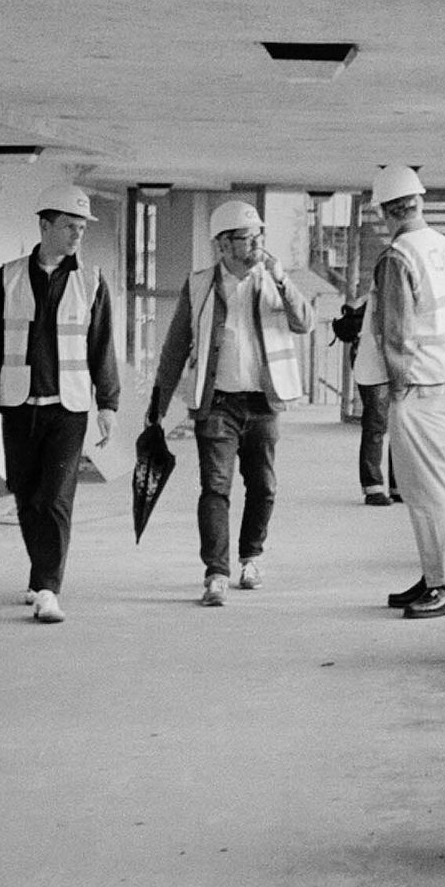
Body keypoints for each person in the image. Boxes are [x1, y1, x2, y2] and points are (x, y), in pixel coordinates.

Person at [145, 199, 315, 606]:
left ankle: (250, 557)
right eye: (246, 237)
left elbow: (304, 322)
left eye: (259, 235)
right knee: (214, 488)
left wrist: (281, 279)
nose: (256, 243)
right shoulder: (200, 284)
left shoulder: (273, 280)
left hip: (263, 402)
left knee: (263, 485)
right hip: (217, 402)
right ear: (222, 245)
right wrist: (158, 404)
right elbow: (174, 349)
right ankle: (216, 573)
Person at [0, 182, 119, 623]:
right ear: (45, 225)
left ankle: (49, 589)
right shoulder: (8, 277)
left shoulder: (91, 281)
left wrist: (108, 404)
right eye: (70, 226)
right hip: (18, 405)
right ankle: (40, 578)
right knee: (27, 497)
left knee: (55, 498)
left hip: (68, 408)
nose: (77, 235)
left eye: (82, 228)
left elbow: (101, 347)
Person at [370, 166, 445, 619]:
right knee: (442, 485)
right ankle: (435, 575)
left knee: (426, 492)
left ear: (385, 212)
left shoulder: (398, 256)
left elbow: (397, 332)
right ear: (418, 203)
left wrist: (397, 386)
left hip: (422, 386)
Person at [333, 283, 398, 507]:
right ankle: (373, 487)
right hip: (372, 360)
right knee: (376, 423)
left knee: (397, 424)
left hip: (390, 360)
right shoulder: (386, 289)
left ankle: (396, 485)